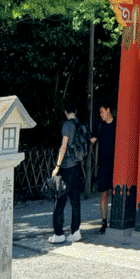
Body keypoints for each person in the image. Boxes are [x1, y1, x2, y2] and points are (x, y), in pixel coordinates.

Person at [49, 100, 84, 244]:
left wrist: (57, 165)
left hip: (67, 166)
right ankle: (75, 231)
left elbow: (63, 147)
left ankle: (59, 234)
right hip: (78, 166)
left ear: (65, 112)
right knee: (75, 200)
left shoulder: (67, 125)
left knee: (60, 200)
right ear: (75, 111)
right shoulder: (81, 125)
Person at [90, 101, 116, 233]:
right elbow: (92, 139)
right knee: (103, 193)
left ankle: (116, 220)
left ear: (108, 109)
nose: (100, 115)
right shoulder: (99, 125)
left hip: (116, 165)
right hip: (103, 164)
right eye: (100, 113)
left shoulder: (117, 124)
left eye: (102, 112)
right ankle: (104, 222)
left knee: (116, 193)